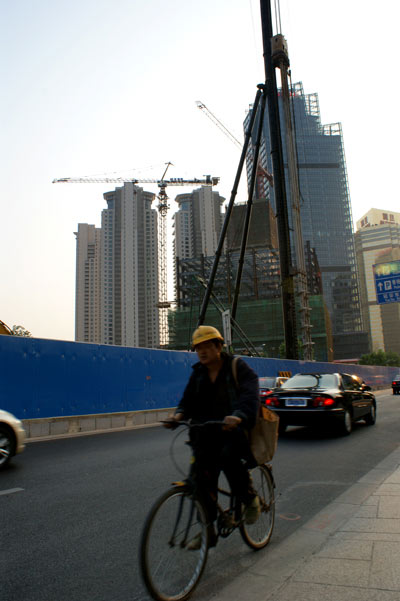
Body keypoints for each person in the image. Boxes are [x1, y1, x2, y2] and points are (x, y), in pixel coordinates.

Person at [164, 325, 261, 549]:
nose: (202, 352)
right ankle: (208, 529)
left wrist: (238, 416)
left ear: (218, 346)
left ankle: (249, 499)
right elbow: (187, 400)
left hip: (232, 432)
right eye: (198, 348)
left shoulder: (237, 366)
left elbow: (249, 393)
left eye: (207, 346)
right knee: (201, 481)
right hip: (205, 433)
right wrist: (177, 415)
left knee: (230, 461)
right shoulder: (198, 373)